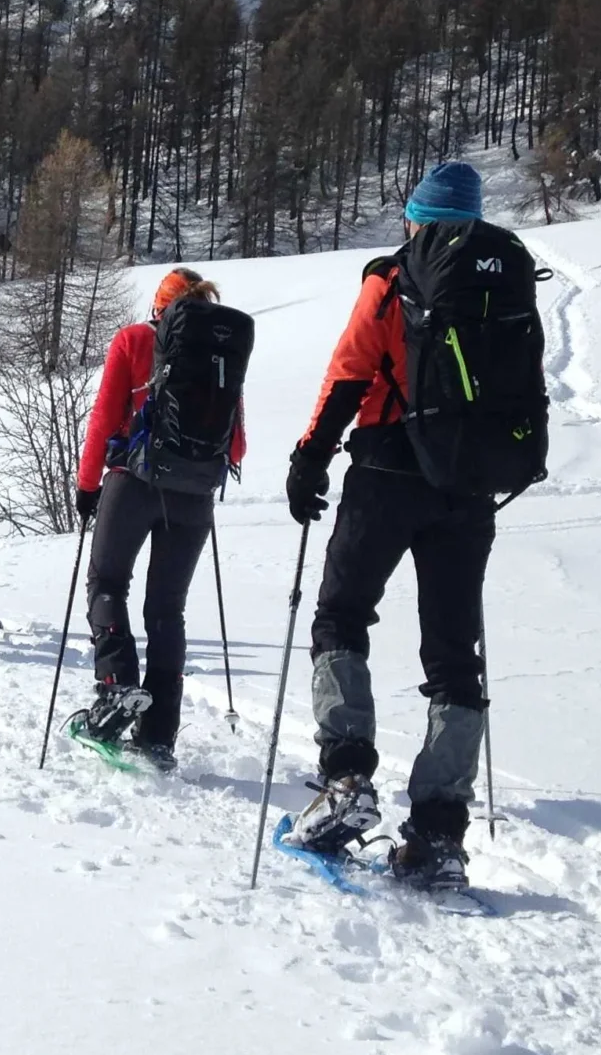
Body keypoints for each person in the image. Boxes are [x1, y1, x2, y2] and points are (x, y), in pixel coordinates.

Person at [283, 161, 503, 892]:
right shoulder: (501, 282)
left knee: (341, 617)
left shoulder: (394, 277)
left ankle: (346, 782)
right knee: (452, 651)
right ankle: (439, 835)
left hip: (384, 474)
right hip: (469, 490)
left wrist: (309, 459)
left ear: (417, 217)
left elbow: (348, 373)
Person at [69, 269, 246, 770]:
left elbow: (105, 417)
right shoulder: (219, 355)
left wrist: (87, 486)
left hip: (134, 482)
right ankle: (159, 736)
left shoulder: (133, 339)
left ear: (159, 304)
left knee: (107, 584)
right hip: (194, 495)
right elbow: (237, 444)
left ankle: (117, 688)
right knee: (168, 610)